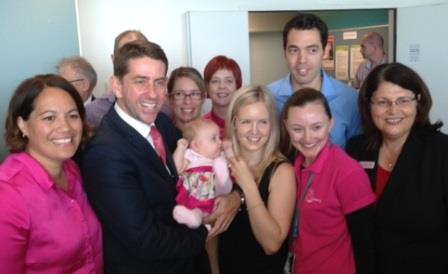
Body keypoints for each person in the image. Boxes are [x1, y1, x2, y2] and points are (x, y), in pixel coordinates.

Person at [81, 40, 239, 274]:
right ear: (116, 86)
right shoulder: (105, 153)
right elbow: (145, 240)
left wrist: (235, 197)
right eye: (141, 81)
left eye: (159, 82)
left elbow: (200, 166)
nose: (153, 94)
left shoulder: (161, 124)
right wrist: (206, 227)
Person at [346, 63, 448, 274]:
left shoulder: (441, 152)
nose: (393, 110)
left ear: (418, 102)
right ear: (369, 105)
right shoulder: (356, 150)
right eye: (383, 102)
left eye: (403, 100)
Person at [0, 74, 103, 273]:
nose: (65, 127)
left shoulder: (71, 169)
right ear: (23, 125)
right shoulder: (8, 195)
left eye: (72, 116)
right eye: (49, 117)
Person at [281, 88, 376, 274]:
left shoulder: (348, 173)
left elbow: (366, 246)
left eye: (317, 127)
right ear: (286, 127)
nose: (308, 138)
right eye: (297, 129)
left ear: (331, 123)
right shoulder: (293, 166)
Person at [217, 86, 296, 274]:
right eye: (246, 122)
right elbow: (212, 231)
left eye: (263, 122)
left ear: (272, 125)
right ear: (234, 123)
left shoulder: (282, 171)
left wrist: (247, 184)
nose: (255, 131)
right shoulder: (221, 162)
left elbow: (272, 244)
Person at [268, 13, 361, 148]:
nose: (302, 60)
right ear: (284, 52)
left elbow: (356, 154)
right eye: (294, 50)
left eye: (312, 50)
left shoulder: (350, 99)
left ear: (325, 51)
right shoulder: (268, 97)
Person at [172, 118, 232, 228]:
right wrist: (180, 149)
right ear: (195, 146)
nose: (220, 142)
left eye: (220, 137)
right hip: (195, 192)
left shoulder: (220, 156)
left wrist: (228, 150)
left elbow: (233, 162)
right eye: (214, 139)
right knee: (197, 209)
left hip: (216, 192)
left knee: (220, 164)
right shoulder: (191, 155)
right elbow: (177, 168)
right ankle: (194, 218)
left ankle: (222, 181)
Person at [85, 29, 150, 127]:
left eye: (140, 54)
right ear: (113, 59)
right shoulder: (93, 112)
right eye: (126, 55)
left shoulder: (163, 108)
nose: (134, 61)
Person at [203, 55, 242, 138]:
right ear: (207, 86)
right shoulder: (200, 127)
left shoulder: (248, 122)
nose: (222, 86)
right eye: (215, 81)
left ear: (237, 86)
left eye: (228, 81)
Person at [167, 66, 206, 131]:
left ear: (203, 97)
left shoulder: (214, 135)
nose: (187, 101)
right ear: (170, 98)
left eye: (194, 94)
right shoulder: (160, 137)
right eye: (179, 94)